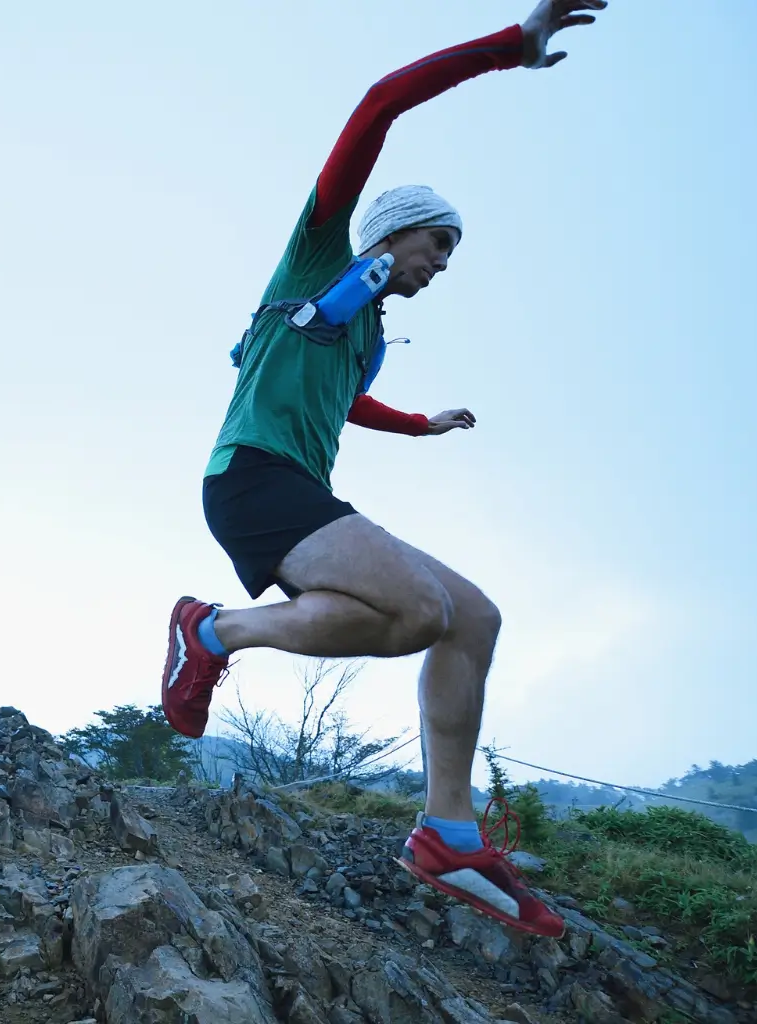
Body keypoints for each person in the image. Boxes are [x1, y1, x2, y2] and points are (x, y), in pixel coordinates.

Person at [162, 0, 607, 938]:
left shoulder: (365, 336)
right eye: (437, 244)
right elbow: (378, 104)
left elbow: (345, 403)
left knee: (472, 617)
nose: (441, 264)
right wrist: (507, 49)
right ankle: (211, 634)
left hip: (302, 488)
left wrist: (419, 425)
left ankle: (448, 830)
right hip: (250, 475)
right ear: (394, 231)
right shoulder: (320, 254)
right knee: (417, 610)